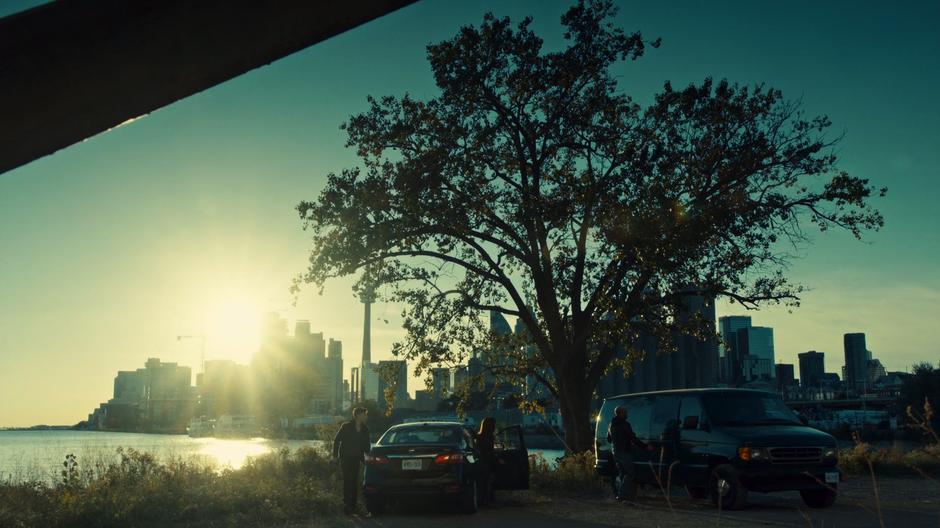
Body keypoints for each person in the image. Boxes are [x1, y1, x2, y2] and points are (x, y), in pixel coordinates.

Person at [607, 406, 653, 501]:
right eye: (625, 412)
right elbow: (633, 438)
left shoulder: (610, 424)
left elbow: (609, 439)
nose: (627, 414)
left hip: (615, 452)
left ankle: (627, 496)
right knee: (631, 473)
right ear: (620, 413)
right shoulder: (625, 424)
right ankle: (622, 495)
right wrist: (645, 446)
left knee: (623, 474)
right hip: (624, 452)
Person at [332, 406, 370, 515]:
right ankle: (346, 506)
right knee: (348, 481)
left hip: (356, 459)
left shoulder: (365, 430)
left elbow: (367, 447)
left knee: (354, 482)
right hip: (345, 458)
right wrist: (335, 456)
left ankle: (353, 508)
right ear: (358, 415)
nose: (366, 416)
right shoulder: (346, 426)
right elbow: (336, 440)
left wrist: (367, 460)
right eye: (364, 414)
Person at [474, 416, 496, 503]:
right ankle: (487, 498)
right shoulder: (489, 437)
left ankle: (483, 498)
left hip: (481, 461)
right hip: (486, 461)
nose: (495, 426)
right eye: (493, 425)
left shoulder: (479, 437)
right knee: (487, 480)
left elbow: (477, 450)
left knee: (483, 481)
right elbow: (489, 450)